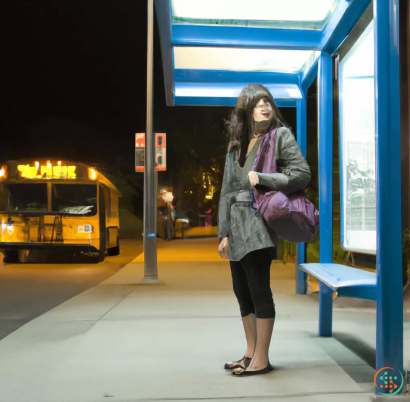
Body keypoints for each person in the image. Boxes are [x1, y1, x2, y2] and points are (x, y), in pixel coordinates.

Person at [218, 84, 311, 376]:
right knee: (241, 291)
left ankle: (262, 359)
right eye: (258, 102)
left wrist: (265, 179)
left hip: (258, 224)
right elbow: (225, 192)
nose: (265, 106)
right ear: (246, 110)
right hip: (236, 226)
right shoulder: (235, 148)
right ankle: (249, 353)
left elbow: (301, 174)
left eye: (267, 101)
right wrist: (223, 232)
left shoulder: (279, 136)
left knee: (259, 290)